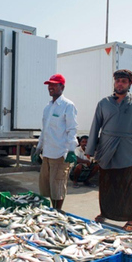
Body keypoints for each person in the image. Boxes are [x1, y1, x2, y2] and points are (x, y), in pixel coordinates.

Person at [85, 69, 132, 232]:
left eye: (124, 81)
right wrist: (90, 149)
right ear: (114, 82)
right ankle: (105, 213)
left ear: (129, 84)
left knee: (127, 184)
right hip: (106, 146)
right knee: (106, 184)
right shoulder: (104, 103)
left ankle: (130, 218)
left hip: (127, 147)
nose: (120, 84)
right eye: (118, 81)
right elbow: (95, 125)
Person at [33, 74, 78, 212]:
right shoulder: (48, 107)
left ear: (62, 87)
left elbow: (72, 129)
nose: (50, 87)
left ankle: (58, 212)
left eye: (54, 84)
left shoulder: (68, 106)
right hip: (47, 153)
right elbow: (44, 131)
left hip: (60, 154)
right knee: (48, 187)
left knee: (58, 186)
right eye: (49, 85)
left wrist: (71, 150)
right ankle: (53, 211)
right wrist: (38, 149)